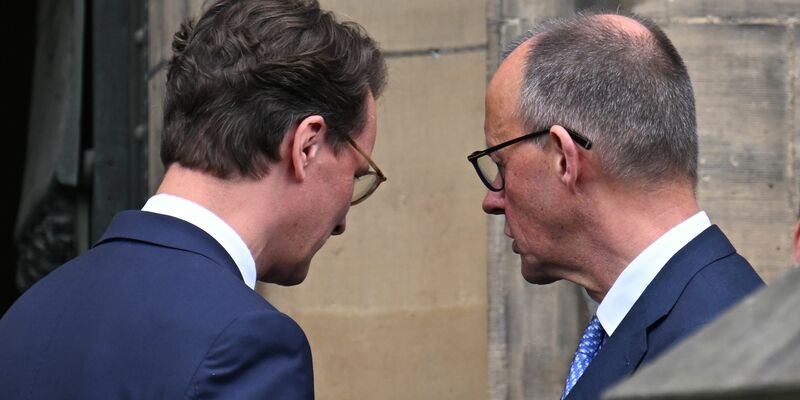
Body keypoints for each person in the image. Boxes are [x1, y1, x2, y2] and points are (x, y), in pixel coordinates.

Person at [0, 0, 386, 398]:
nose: (342, 222)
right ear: (306, 146)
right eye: (356, 174)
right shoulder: (247, 344)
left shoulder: (25, 318)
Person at [468, 12, 763, 400]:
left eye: (501, 164)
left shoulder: (719, 357)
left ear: (563, 159)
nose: (492, 200)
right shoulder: (701, 318)